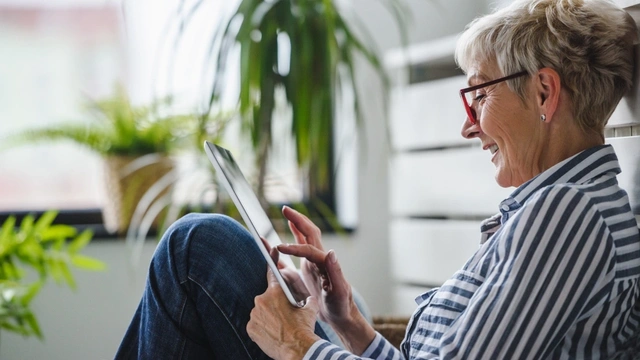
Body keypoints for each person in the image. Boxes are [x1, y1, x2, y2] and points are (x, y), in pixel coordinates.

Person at [116, 0, 640, 358]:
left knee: (196, 247)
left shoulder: (570, 214)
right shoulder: (559, 209)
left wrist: (300, 347)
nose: (467, 124)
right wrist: (349, 325)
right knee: (200, 247)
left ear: (546, 94)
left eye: (479, 94)